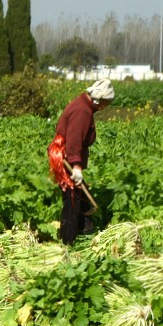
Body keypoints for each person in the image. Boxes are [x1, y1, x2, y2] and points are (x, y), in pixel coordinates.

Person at [50, 77, 115, 245]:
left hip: (65, 155)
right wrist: (76, 167)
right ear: (99, 100)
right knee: (72, 200)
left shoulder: (83, 105)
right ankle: (68, 241)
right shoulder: (82, 111)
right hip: (66, 158)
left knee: (81, 195)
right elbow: (74, 141)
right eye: (105, 104)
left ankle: (86, 231)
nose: (104, 108)